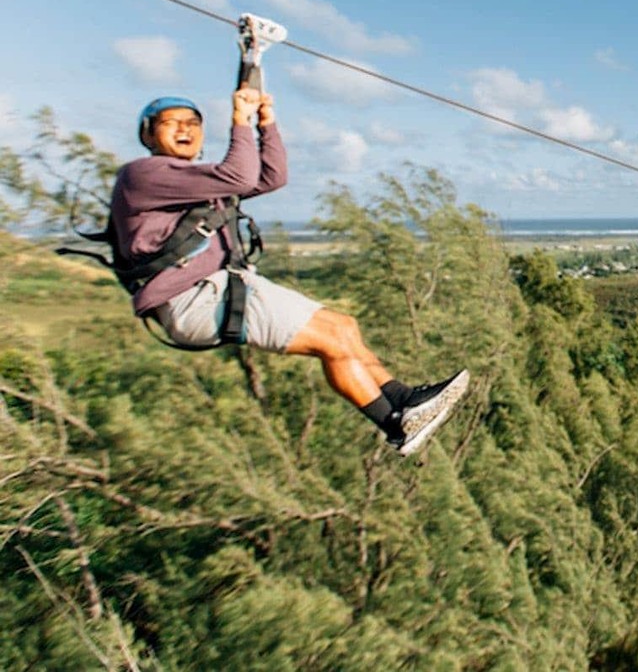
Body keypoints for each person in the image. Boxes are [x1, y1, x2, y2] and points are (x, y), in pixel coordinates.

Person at [109, 87, 469, 457]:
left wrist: (266, 122)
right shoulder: (143, 174)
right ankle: (395, 424)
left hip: (221, 287)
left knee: (343, 327)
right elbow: (240, 176)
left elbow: (271, 176)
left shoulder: (192, 181)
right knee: (331, 343)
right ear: (148, 135)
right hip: (197, 298)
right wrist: (240, 120)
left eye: (193, 123)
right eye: (171, 123)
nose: (184, 129)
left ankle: (403, 399)